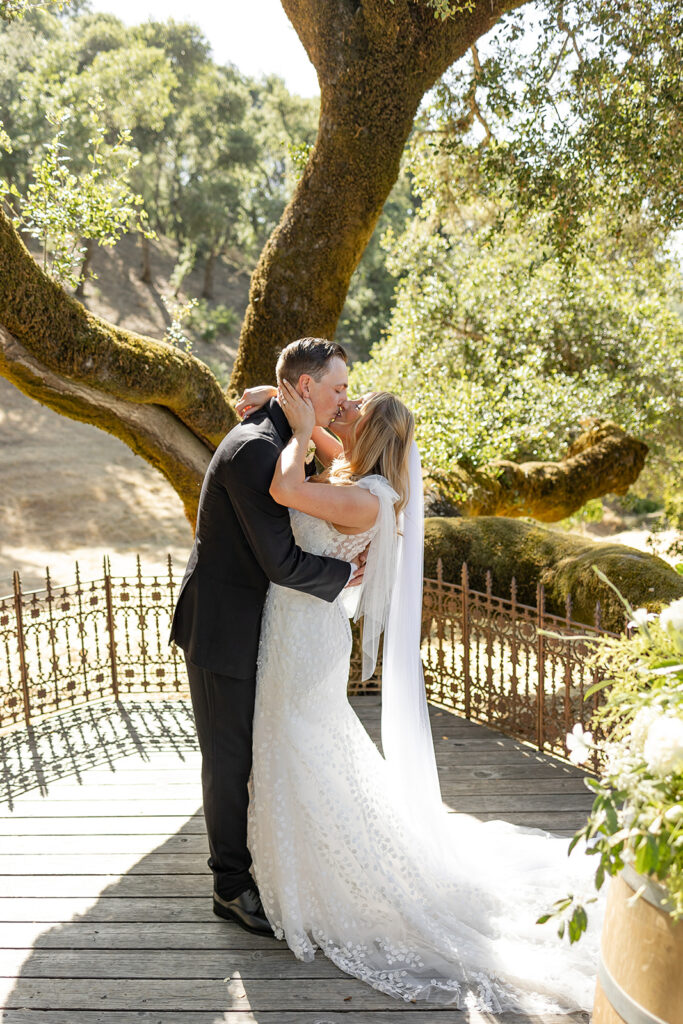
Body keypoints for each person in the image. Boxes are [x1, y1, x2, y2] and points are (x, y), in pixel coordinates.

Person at [237, 377, 603, 1014]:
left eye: (353, 409)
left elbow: (287, 489)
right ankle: (289, 866)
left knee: (303, 742)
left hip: (308, 634)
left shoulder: (368, 499)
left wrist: (297, 433)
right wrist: (282, 400)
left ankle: (320, 880)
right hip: (295, 625)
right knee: (299, 741)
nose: (342, 408)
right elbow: (328, 444)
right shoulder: (365, 482)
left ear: (370, 435)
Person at [170, 338, 367, 936]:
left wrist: (289, 406)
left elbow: (331, 452)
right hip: (224, 629)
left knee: (257, 752)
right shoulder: (258, 450)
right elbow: (281, 561)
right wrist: (344, 574)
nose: (346, 398)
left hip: (261, 627)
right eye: (337, 388)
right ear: (305, 389)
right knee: (228, 761)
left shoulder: (282, 432)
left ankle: (259, 863)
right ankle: (230, 887)